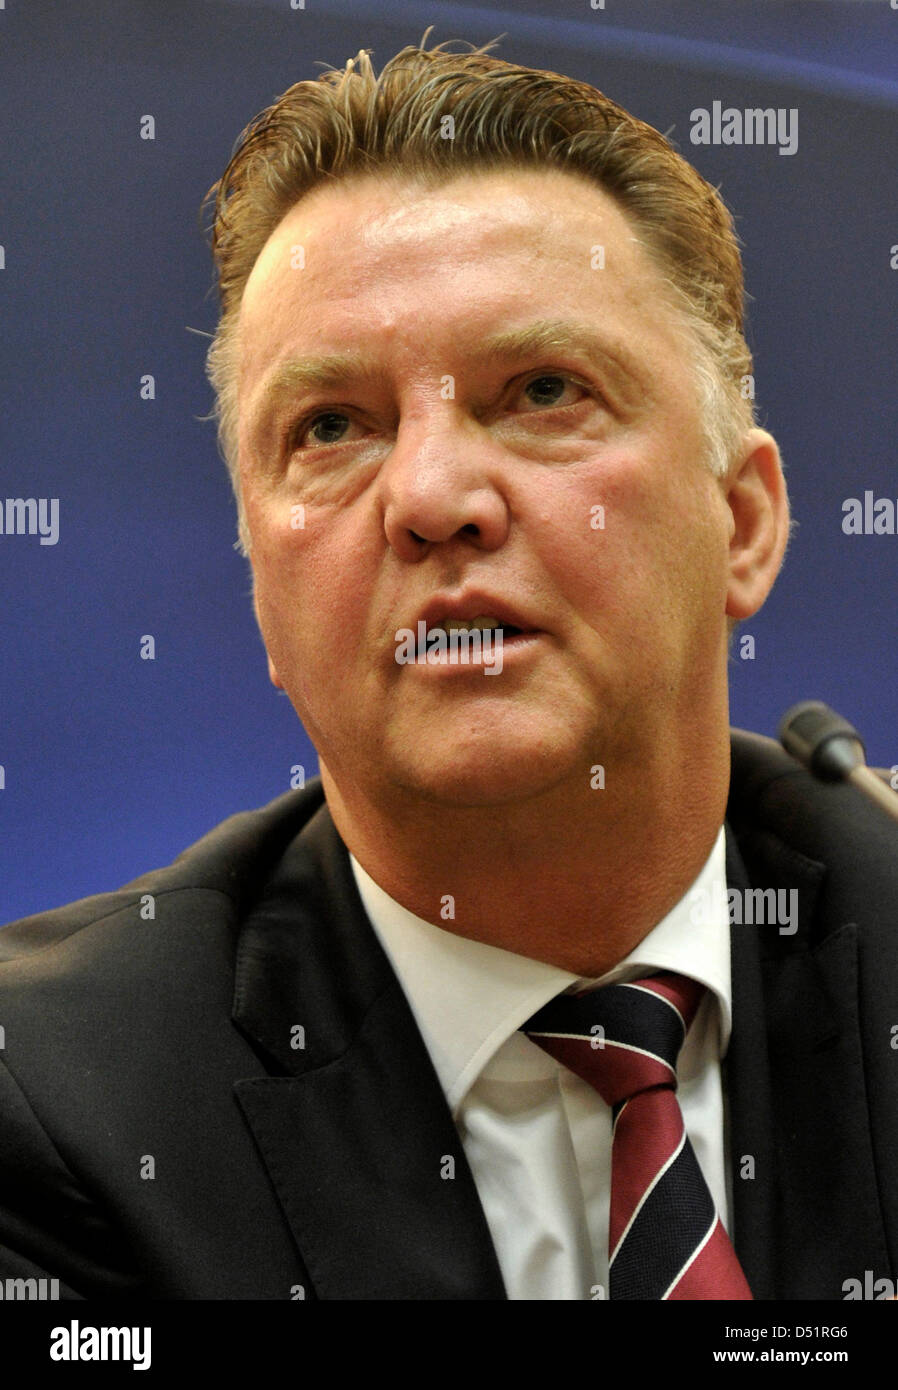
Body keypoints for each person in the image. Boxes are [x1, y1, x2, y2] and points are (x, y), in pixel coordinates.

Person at [0, 36, 895, 1302]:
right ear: (261, 589)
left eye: (539, 390)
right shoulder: (52, 1106)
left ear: (742, 523)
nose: (428, 498)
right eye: (331, 428)